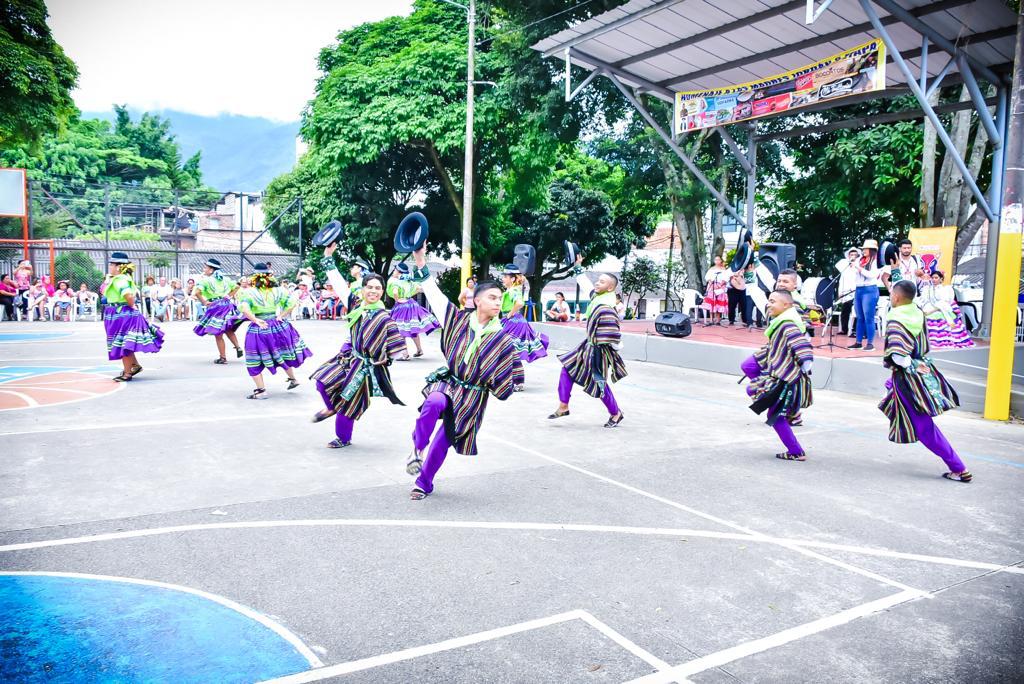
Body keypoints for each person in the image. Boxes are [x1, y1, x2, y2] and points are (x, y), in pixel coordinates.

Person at [404, 242, 522, 500]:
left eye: (500, 299)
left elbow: (508, 374)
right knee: (434, 401)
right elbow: (433, 294)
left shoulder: (503, 338)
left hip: (473, 397)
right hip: (451, 382)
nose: (497, 302)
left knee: (444, 439)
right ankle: (416, 449)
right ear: (477, 300)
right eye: (492, 297)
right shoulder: (456, 318)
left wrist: (506, 381)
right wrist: (420, 260)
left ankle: (424, 482)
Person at [310, 243, 408, 448]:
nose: (373, 291)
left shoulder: (385, 317)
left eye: (378, 288)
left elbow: (396, 348)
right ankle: (330, 408)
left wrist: (381, 361)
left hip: (365, 367)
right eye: (369, 287)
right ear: (362, 289)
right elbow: (338, 283)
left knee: (349, 404)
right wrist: (328, 257)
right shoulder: (356, 305)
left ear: (383, 292)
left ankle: (343, 438)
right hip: (347, 357)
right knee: (321, 381)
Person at [879, 280, 971, 482]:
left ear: (895, 297)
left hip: (908, 378)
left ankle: (958, 467)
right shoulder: (916, 311)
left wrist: (908, 366)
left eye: (892, 294)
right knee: (892, 400)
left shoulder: (896, 320)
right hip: (920, 368)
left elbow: (899, 357)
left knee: (924, 428)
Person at [549, 254, 626, 427]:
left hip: (599, 350)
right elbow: (585, 285)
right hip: (588, 346)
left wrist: (614, 350)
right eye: (598, 280)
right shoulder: (598, 298)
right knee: (567, 369)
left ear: (610, 288)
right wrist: (578, 267)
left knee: (598, 383)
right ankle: (563, 405)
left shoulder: (606, 308)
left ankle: (616, 413)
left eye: (602, 282)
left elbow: (614, 335)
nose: (597, 283)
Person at [740, 289, 814, 461]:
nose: (769, 304)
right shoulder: (781, 321)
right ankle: (795, 450)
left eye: (773, 301)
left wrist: (797, 370)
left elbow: (804, 348)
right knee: (748, 367)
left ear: (786, 304)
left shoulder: (788, 324)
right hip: (781, 376)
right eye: (769, 300)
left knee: (776, 416)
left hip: (786, 380)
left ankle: (796, 451)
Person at [237, 263, 311, 399]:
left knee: (254, 358)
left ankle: (261, 391)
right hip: (278, 327)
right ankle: (293, 379)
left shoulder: (248, 292)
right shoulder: (279, 290)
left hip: (260, 328)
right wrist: (281, 316)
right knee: (281, 354)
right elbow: (292, 303)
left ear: (254, 277)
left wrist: (255, 320)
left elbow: (244, 308)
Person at [101, 252, 164, 381]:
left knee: (123, 342)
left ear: (119, 267)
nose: (110, 267)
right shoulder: (119, 278)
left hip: (121, 314)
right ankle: (134, 366)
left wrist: (131, 304)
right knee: (125, 341)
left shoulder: (120, 279)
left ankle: (127, 373)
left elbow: (128, 296)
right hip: (119, 313)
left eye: (112, 265)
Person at [499, 264, 549, 391]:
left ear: (513, 279)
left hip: (513, 322)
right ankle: (515, 381)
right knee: (511, 352)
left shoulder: (512, 291)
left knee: (509, 352)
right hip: (516, 321)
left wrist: (509, 314)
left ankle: (516, 382)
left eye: (505, 276)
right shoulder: (514, 290)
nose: (503, 279)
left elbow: (520, 303)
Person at [193, 258, 244, 364]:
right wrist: (229, 296)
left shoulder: (205, 280)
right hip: (227, 305)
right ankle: (238, 346)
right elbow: (237, 287)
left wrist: (204, 302)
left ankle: (223, 357)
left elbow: (197, 292)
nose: (204, 269)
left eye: (205, 268)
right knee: (228, 329)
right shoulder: (225, 279)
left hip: (216, 307)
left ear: (211, 270)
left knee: (218, 333)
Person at [387, 263, 439, 358]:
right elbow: (419, 289)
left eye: (395, 270)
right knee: (412, 329)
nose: (393, 272)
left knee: (401, 330)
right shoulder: (410, 281)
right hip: (412, 304)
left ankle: (405, 353)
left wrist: (397, 299)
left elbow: (394, 292)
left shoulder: (394, 281)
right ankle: (419, 350)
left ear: (399, 272)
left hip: (402, 306)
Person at [919, 270, 974, 349]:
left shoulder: (946, 289)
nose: (934, 279)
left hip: (942, 310)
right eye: (932, 278)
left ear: (941, 279)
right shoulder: (927, 289)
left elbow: (945, 302)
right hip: (929, 309)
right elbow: (923, 300)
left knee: (944, 322)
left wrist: (932, 310)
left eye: (936, 278)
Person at [849, 239, 880, 351]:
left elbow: (872, 275)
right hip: (859, 289)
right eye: (863, 249)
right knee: (860, 317)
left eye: (866, 249)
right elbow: (854, 274)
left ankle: (870, 343)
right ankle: (858, 342)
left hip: (870, 289)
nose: (864, 251)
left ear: (872, 250)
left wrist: (858, 268)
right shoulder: (860, 260)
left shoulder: (876, 261)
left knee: (869, 317)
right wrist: (854, 267)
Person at [835, 247, 861, 335]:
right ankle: (844, 329)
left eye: (855, 255)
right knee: (845, 311)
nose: (853, 256)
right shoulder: (844, 265)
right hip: (845, 292)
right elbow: (841, 279)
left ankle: (855, 330)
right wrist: (840, 292)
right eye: (851, 254)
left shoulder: (860, 265)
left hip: (856, 291)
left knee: (856, 311)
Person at [701, 255, 729, 325]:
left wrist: (720, 285)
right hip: (712, 287)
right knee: (711, 303)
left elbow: (726, 278)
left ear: (721, 260)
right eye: (716, 260)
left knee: (719, 303)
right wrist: (712, 283)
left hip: (720, 287)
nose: (717, 261)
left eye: (718, 260)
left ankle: (718, 319)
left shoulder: (723, 269)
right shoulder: (711, 269)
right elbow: (707, 278)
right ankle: (711, 319)